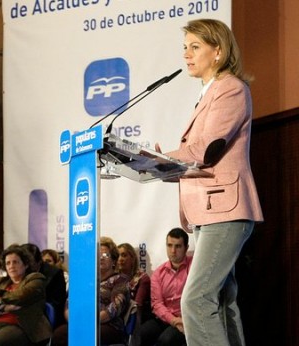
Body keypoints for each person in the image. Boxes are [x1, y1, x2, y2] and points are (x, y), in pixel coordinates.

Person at [158, 18, 264, 346]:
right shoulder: (210, 92)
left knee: (195, 299)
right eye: (184, 48)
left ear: (217, 51)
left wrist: (160, 159)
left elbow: (207, 148)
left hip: (225, 209)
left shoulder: (229, 87)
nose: (187, 55)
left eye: (195, 47)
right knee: (221, 300)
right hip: (210, 211)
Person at [138, 228, 191, 346]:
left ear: (186, 248)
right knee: (139, 335)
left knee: (166, 340)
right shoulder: (158, 273)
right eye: (169, 245)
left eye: (178, 246)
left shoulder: (194, 267)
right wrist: (174, 321)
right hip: (166, 318)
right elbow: (157, 304)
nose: (173, 251)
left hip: (187, 319)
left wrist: (181, 320)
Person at [21, 243, 67, 327]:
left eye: (29, 264)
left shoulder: (54, 274)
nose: (26, 267)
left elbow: (56, 305)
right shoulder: (17, 272)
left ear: (39, 261)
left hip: (42, 320)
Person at [99, 237, 130, 345]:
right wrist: (72, 318)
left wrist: (92, 320)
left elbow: (116, 306)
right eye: (98, 255)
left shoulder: (120, 280)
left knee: (91, 335)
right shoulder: (87, 280)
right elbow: (70, 301)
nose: (101, 258)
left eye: (105, 255)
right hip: (83, 321)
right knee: (60, 334)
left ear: (113, 260)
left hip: (109, 325)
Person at [117, 243, 151, 323]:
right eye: (118, 256)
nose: (120, 259)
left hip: (133, 319)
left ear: (132, 259)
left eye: (124, 255)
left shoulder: (142, 278)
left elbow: (137, 306)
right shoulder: (113, 278)